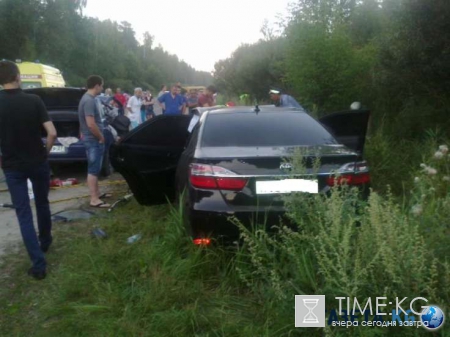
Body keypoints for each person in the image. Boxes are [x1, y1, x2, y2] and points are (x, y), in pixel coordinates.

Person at [0, 60, 57, 280]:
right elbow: (51, 133)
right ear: (17, 77)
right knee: (42, 202)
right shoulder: (34, 100)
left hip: (12, 166)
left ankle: (38, 264)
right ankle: (45, 241)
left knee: (23, 213)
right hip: (37, 162)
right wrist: (45, 152)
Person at [78, 75, 111, 209]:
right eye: (101, 86)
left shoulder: (88, 99)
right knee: (93, 169)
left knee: (96, 168)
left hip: (91, 139)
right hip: (93, 140)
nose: (102, 88)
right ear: (96, 85)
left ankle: (97, 193)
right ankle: (94, 199)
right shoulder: (89, 100)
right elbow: (91, 124)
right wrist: (100, 137)